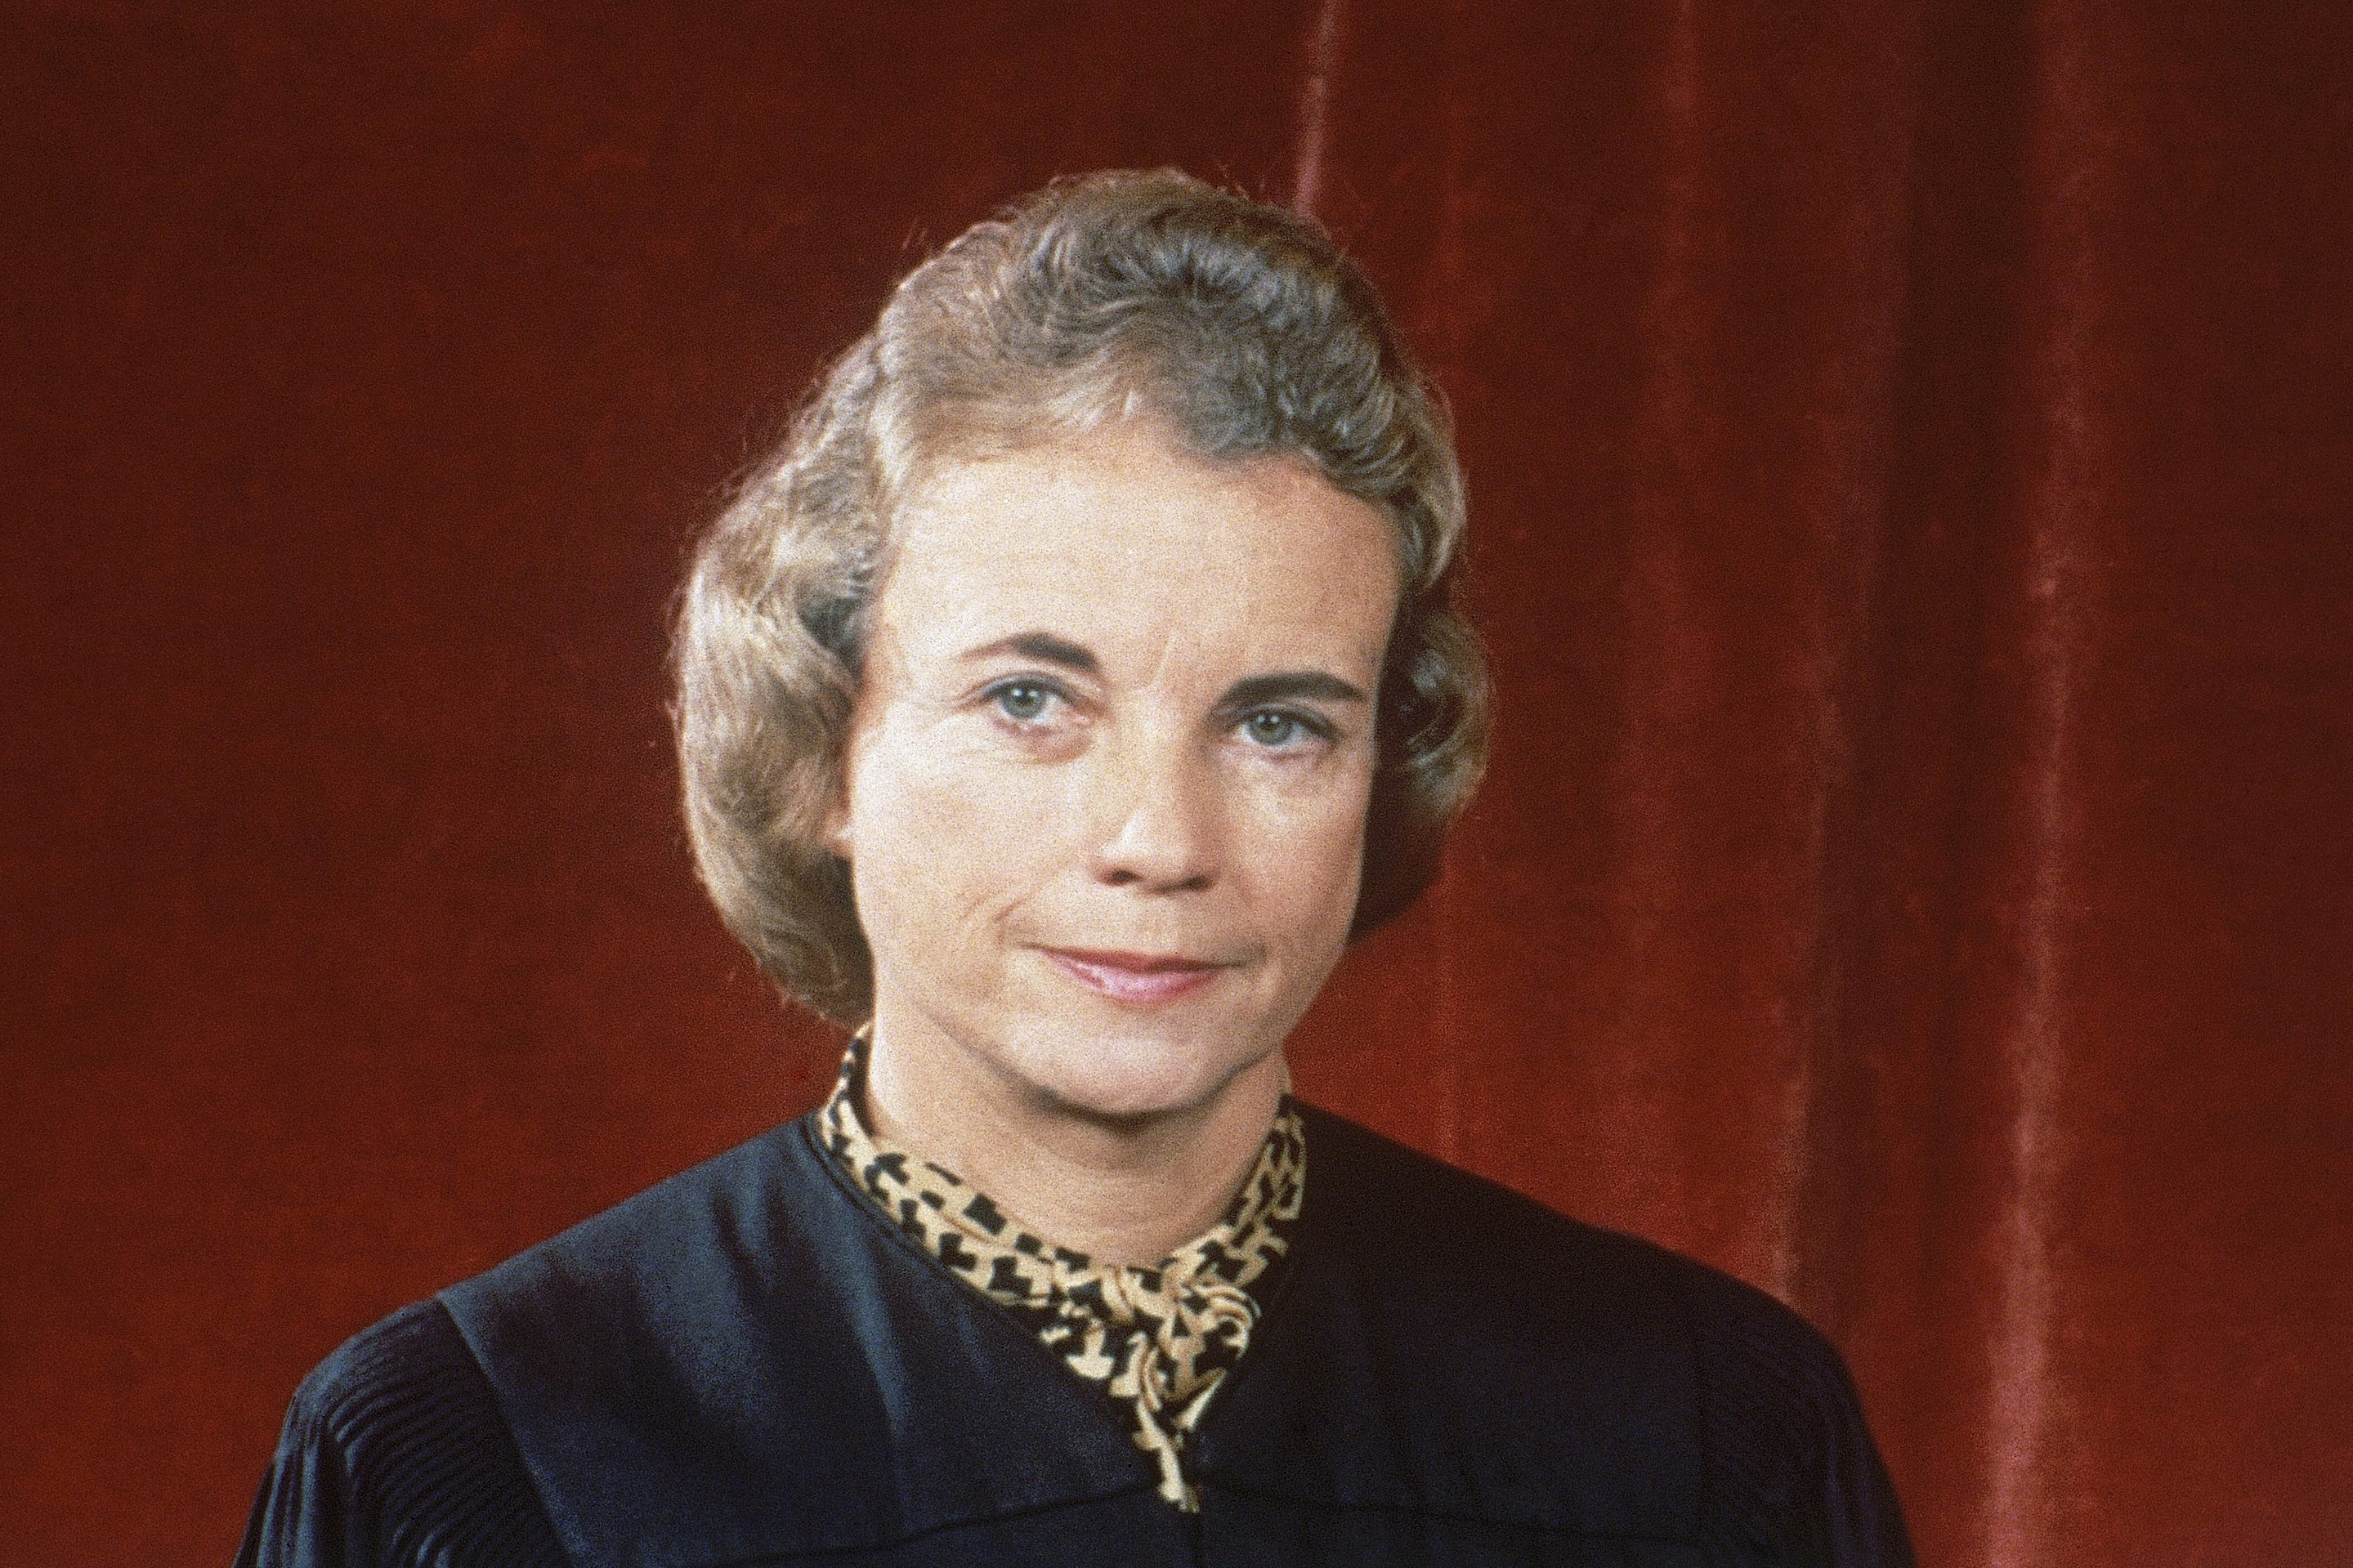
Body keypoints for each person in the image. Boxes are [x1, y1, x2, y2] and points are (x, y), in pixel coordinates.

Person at [237, 169, 1913, 1566]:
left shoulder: (1698, 1440)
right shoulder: (488, 1461)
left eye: (1277, 724)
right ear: (823, 756)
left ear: (1381, 773)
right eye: (1031, 702)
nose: (1161, 844)